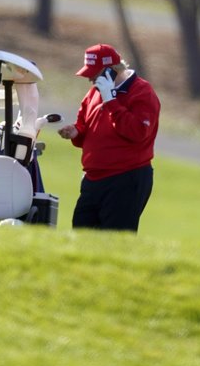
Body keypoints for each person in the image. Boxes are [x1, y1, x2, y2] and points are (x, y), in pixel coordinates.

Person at [58, 43, 160, 232]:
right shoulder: (95, 92)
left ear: (112, 70)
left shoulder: (142, 92)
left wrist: (111, 100)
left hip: (126, 179)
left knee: (113, 240)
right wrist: (76, 132)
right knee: (80, 233)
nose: (90, 80)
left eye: (94, 74)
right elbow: (85, 125)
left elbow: (138, 132)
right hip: (93, 179)